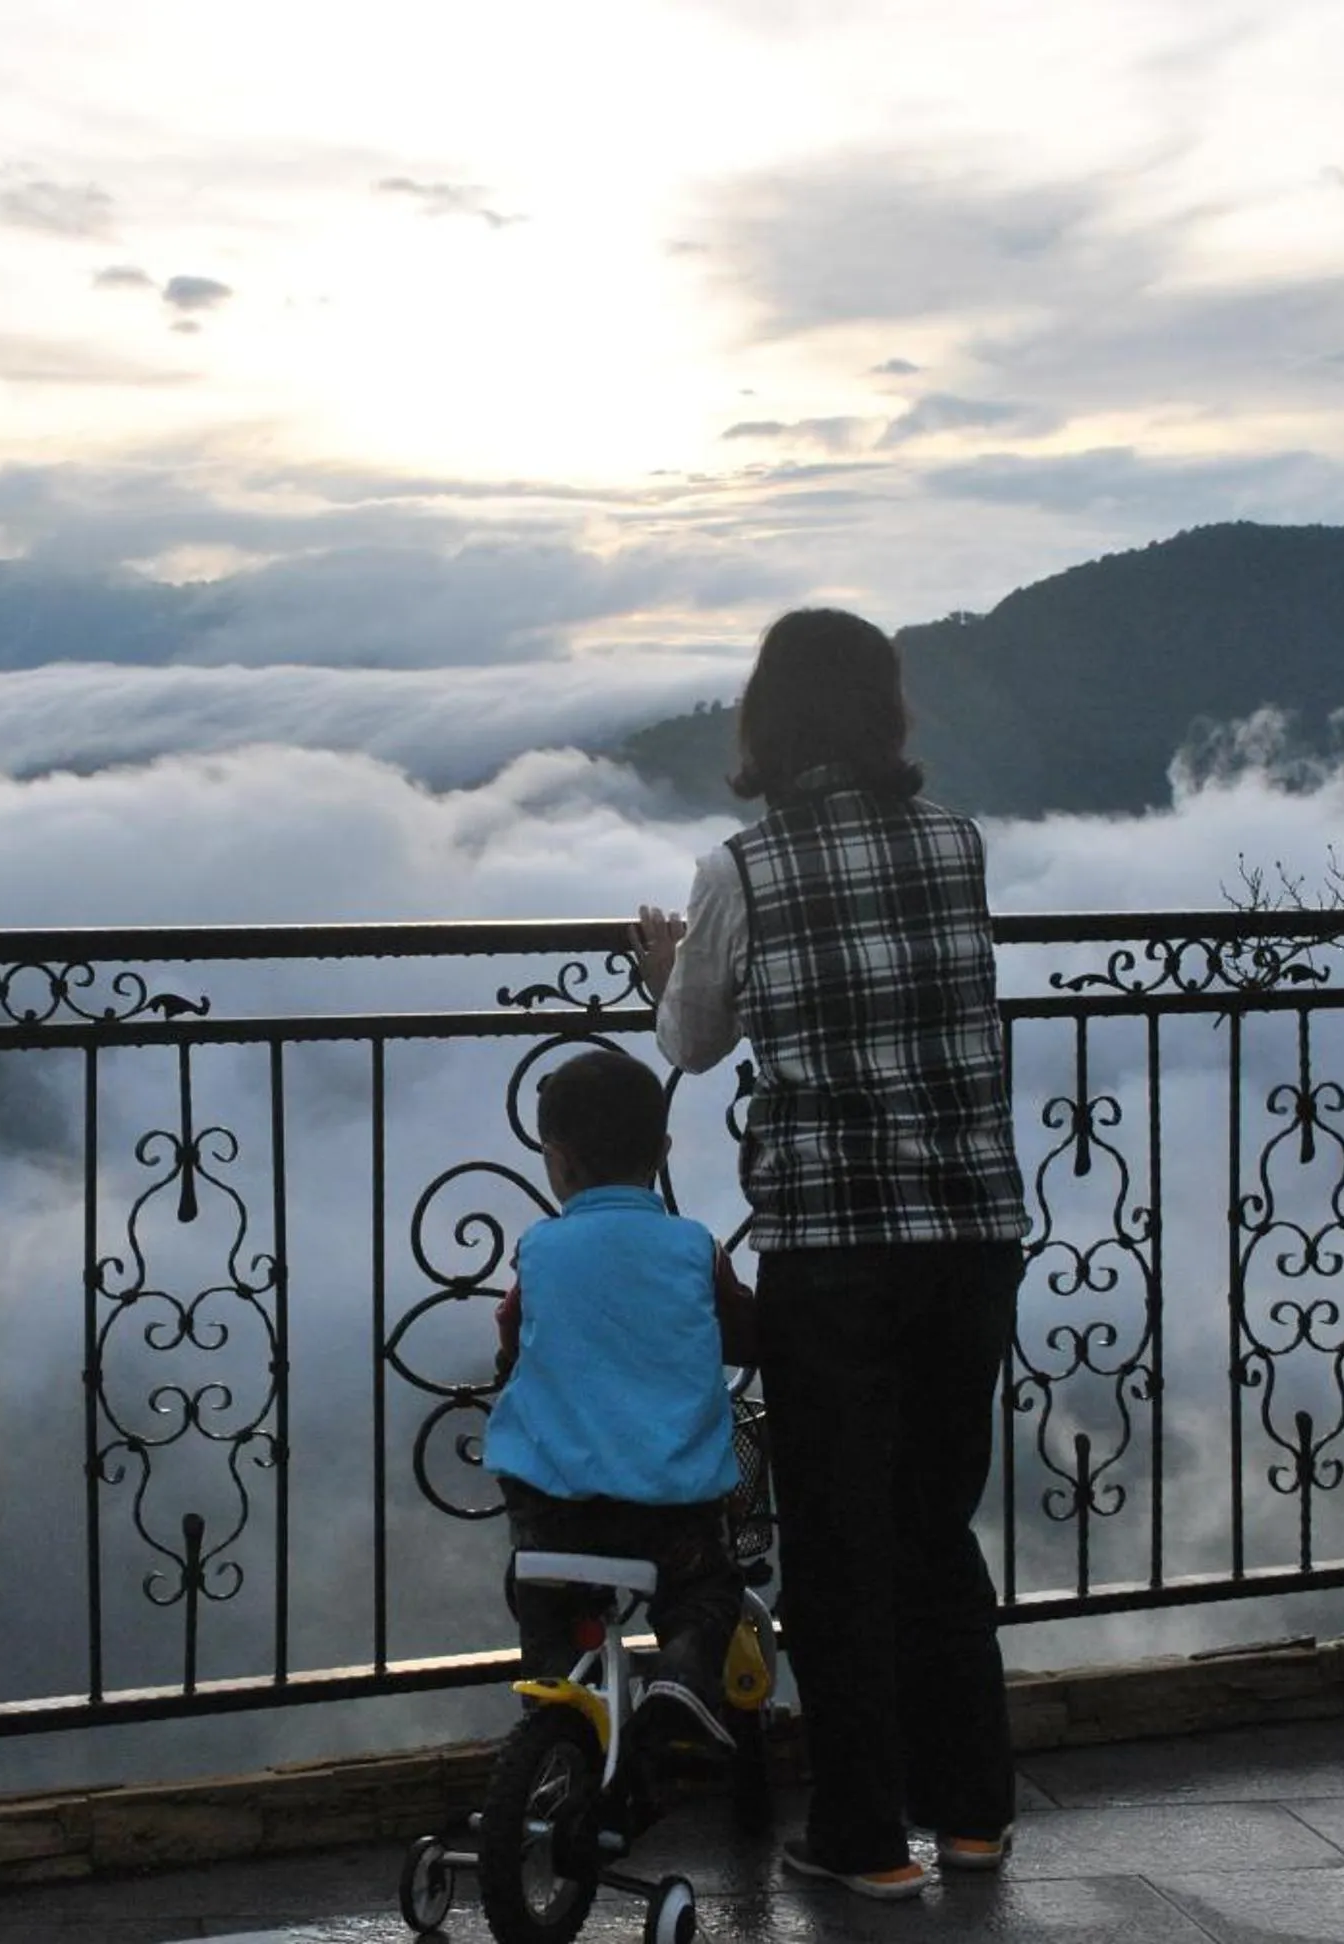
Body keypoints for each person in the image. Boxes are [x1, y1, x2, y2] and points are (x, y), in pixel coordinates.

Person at [631, 607, 1028, 1902]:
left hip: (832, 1248)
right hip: (971, 1236)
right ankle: (973, 1813)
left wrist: (669, 970)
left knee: (844, 1547)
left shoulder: (744, 871)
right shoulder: (956, 846)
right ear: (886, 715)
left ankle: (863, 1840)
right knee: (935, 1527)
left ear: (768, 721)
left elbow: (690, 1044)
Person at [483, 1046, 755, 1750]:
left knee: (537, 1589)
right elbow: (742, 1329)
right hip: (671, 1507)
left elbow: (511, 1334)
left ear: (556, 1158)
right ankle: (682, 1681)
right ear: (662, 1150)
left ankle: (557, 1717)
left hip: (554, 1504)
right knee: (705, 1592)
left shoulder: (538, 1249)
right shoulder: (694, 1247)